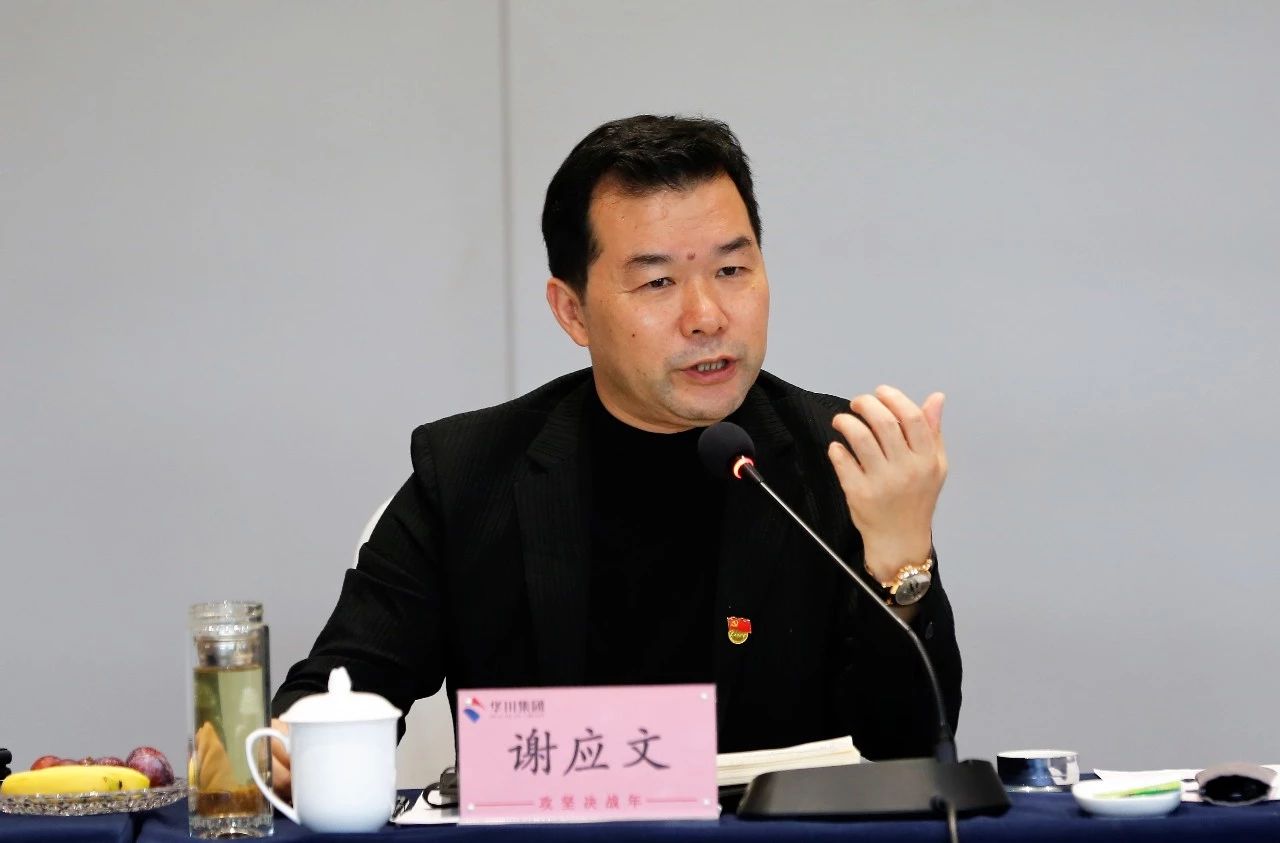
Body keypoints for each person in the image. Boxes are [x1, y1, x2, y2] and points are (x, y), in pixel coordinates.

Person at [268, 115, 960, 797]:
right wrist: (297, 747)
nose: (707, 316)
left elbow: (912, 749)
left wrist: (900, 560)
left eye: (731, 268)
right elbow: (343, 682)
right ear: (572, 311)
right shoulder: (470, 473)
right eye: (658, 282)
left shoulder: (842, 459)